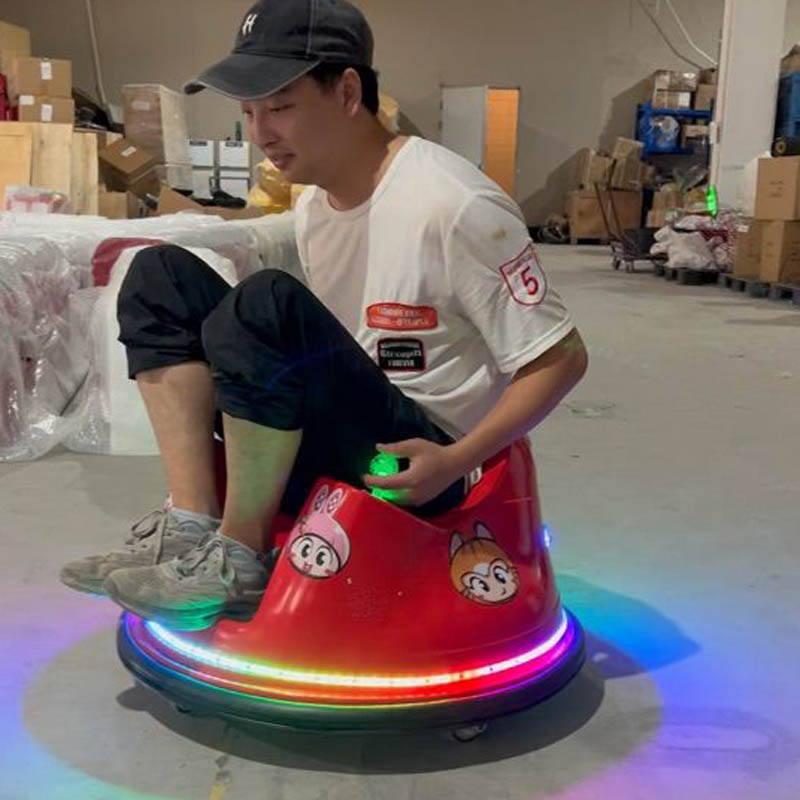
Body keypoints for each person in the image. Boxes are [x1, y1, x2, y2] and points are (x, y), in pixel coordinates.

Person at [60, 0, 588, 631]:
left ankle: (242, 556)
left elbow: (561, 358)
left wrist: (456, 459)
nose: (260, 134)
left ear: (347, 93)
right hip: (346, 432)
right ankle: (191, 523)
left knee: (266, 303)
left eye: (280, 107)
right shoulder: (314, 204)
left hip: (421, 458)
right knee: (158, 275)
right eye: (248, 113)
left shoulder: (453, 205)